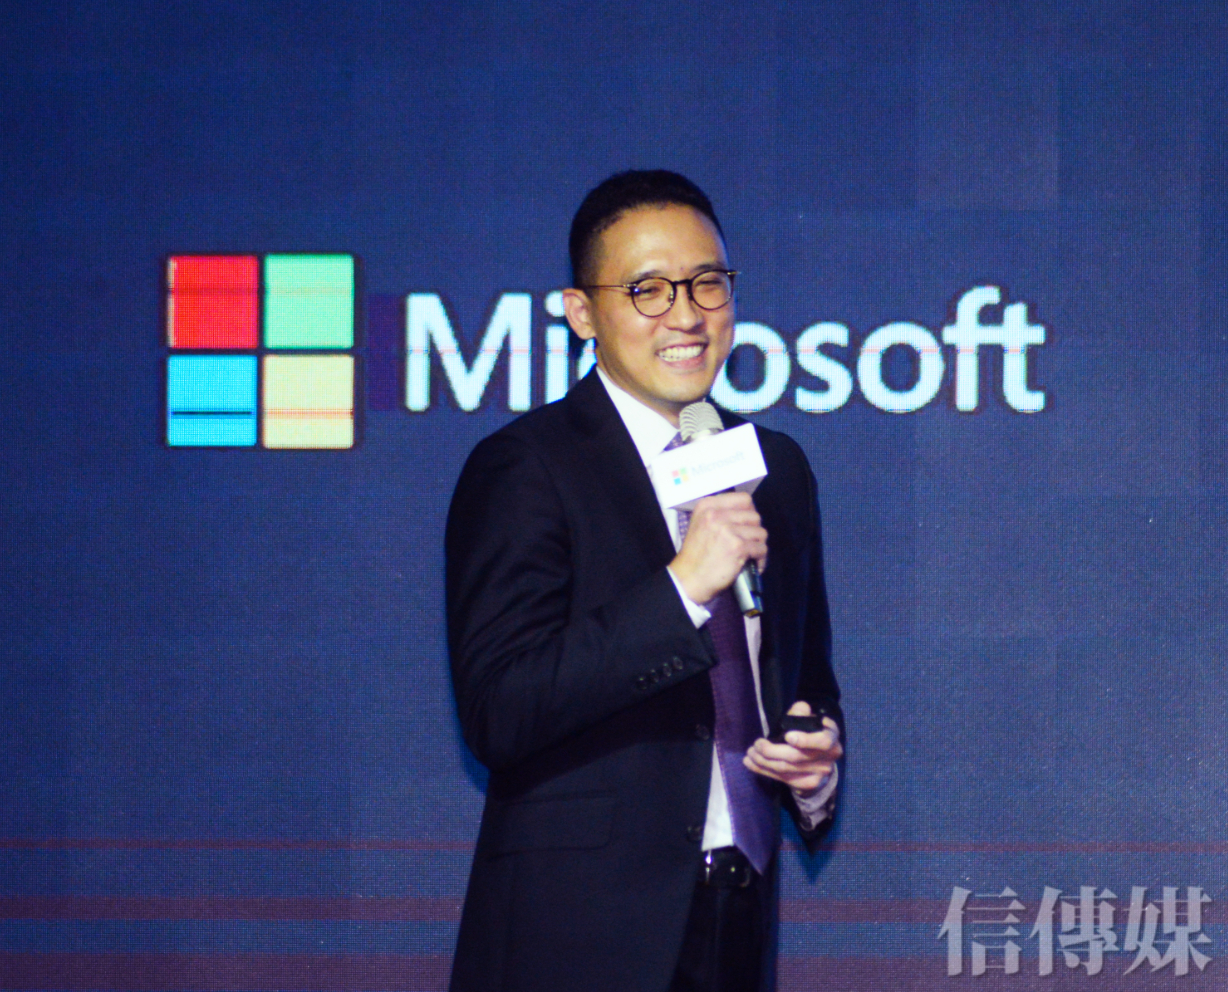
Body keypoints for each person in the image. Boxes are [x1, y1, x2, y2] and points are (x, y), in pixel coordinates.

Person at [445, 170, 843, 992]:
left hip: (737, 914)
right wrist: (683, 587)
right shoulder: (526, 467)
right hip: (579, 933)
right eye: (648, 290)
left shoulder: (777, 469)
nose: (687, 315)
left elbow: (805, 680)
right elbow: (500, 708)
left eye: (707, 282)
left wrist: (815, 762)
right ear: (581, 312)